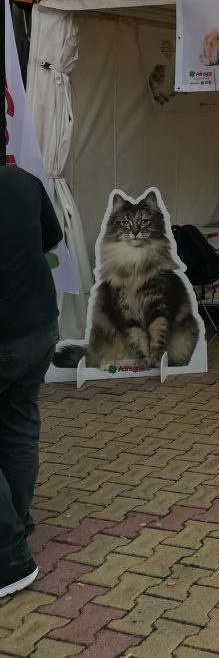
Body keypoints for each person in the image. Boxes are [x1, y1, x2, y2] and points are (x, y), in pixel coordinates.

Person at [0, 165, 63, 599]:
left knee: (18, 424)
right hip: (38, 326)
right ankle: (16, 522)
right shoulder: (22, 181)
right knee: (18, 425)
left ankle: (10, 558)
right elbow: (50, 239)